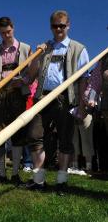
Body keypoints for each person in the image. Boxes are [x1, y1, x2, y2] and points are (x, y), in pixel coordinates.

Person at [25, 10, 90, 194]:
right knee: (35, 135)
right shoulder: (45, 48)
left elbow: (84, 79)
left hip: (66, 98)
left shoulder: (79, 49)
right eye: (55, 26)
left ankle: (61, 182)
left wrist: (82, 105)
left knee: (65, 139)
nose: (58, 29)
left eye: (62, 25)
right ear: (51, 27)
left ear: (68, 26)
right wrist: (37, 56)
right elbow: (31, 75)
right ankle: (39, 181)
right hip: (43, 96)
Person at [0, 17, 31, 185]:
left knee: (18, 134)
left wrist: (23, 81)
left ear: (13, 29)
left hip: (17, 94)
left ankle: (16, 173)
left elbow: (31, 74)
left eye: (9, 32)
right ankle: (2, 174)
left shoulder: (25, 48)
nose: (6, 35)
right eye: (3, 33)